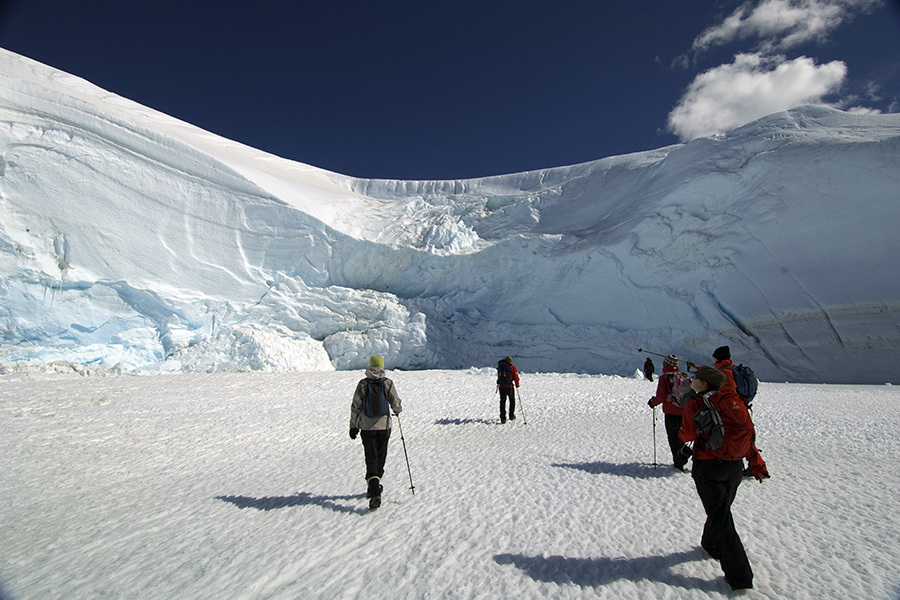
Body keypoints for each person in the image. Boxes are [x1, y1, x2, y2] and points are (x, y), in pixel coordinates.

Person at [679, 366, 769, 591]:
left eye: (697, 378)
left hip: (709, 467)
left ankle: (740, 577)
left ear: (705, 384)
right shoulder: (732, 401)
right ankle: (711, 546)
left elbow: (687, 435)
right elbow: (746, 434)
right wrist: (756, 463)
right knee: (720, 509)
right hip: (734, 466)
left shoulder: (696, 403)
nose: (693, 379)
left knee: (721, 519)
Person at [349, 354, 402, 510]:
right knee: (380, 457)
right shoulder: (387, 383)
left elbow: (356, 405)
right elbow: (395, 402)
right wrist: (397, 411)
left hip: (367, 427)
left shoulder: (363, 384)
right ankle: (375, 487)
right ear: (382, 366)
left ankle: (373, 488)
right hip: (384, 426)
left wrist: (353, 425)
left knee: (370, 457)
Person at [647, 354, 692, 470]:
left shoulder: (664, 378)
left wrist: (653, 402)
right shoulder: (683, 376)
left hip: (671, 412)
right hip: (684, 411)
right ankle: (684, 454)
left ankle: (678, 461)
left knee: (673, 437)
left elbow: (661, 397)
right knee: (682, 435)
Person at [496, 356, 520, 423]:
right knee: (512, 400)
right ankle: (511, 415)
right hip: (509, 387)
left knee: (502, 402)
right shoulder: (512, 367)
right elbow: (516, 377)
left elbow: (498, 376)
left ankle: (503, 418)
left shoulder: (500, 367)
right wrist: (517, 385)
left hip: (501, 387)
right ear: (510, 361)